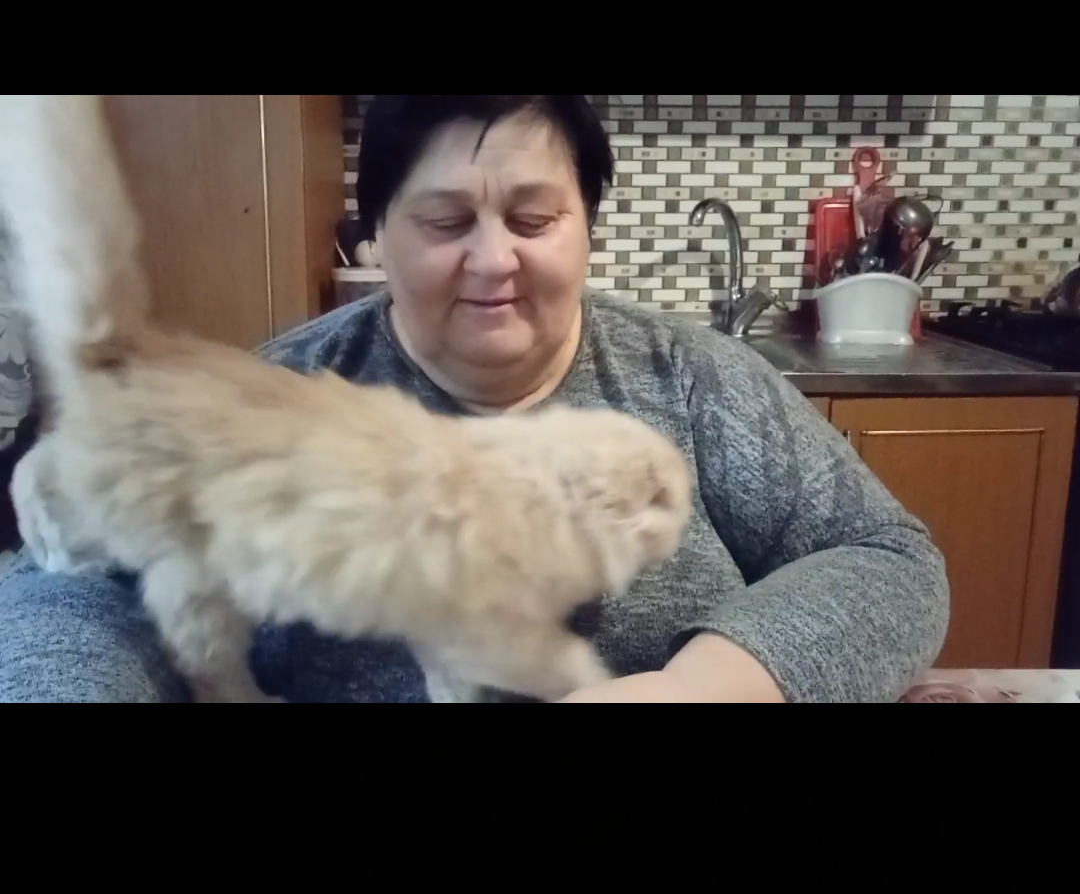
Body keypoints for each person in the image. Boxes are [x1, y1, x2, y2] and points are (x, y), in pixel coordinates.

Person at [0, 94, 949, 703]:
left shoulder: (693, 380)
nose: (494, 260)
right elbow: (66, 597)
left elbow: (888, 557)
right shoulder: (278, 396)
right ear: (377, 237)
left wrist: (700, 686)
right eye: (446, 221)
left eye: (533, 219)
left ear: (587, 227)